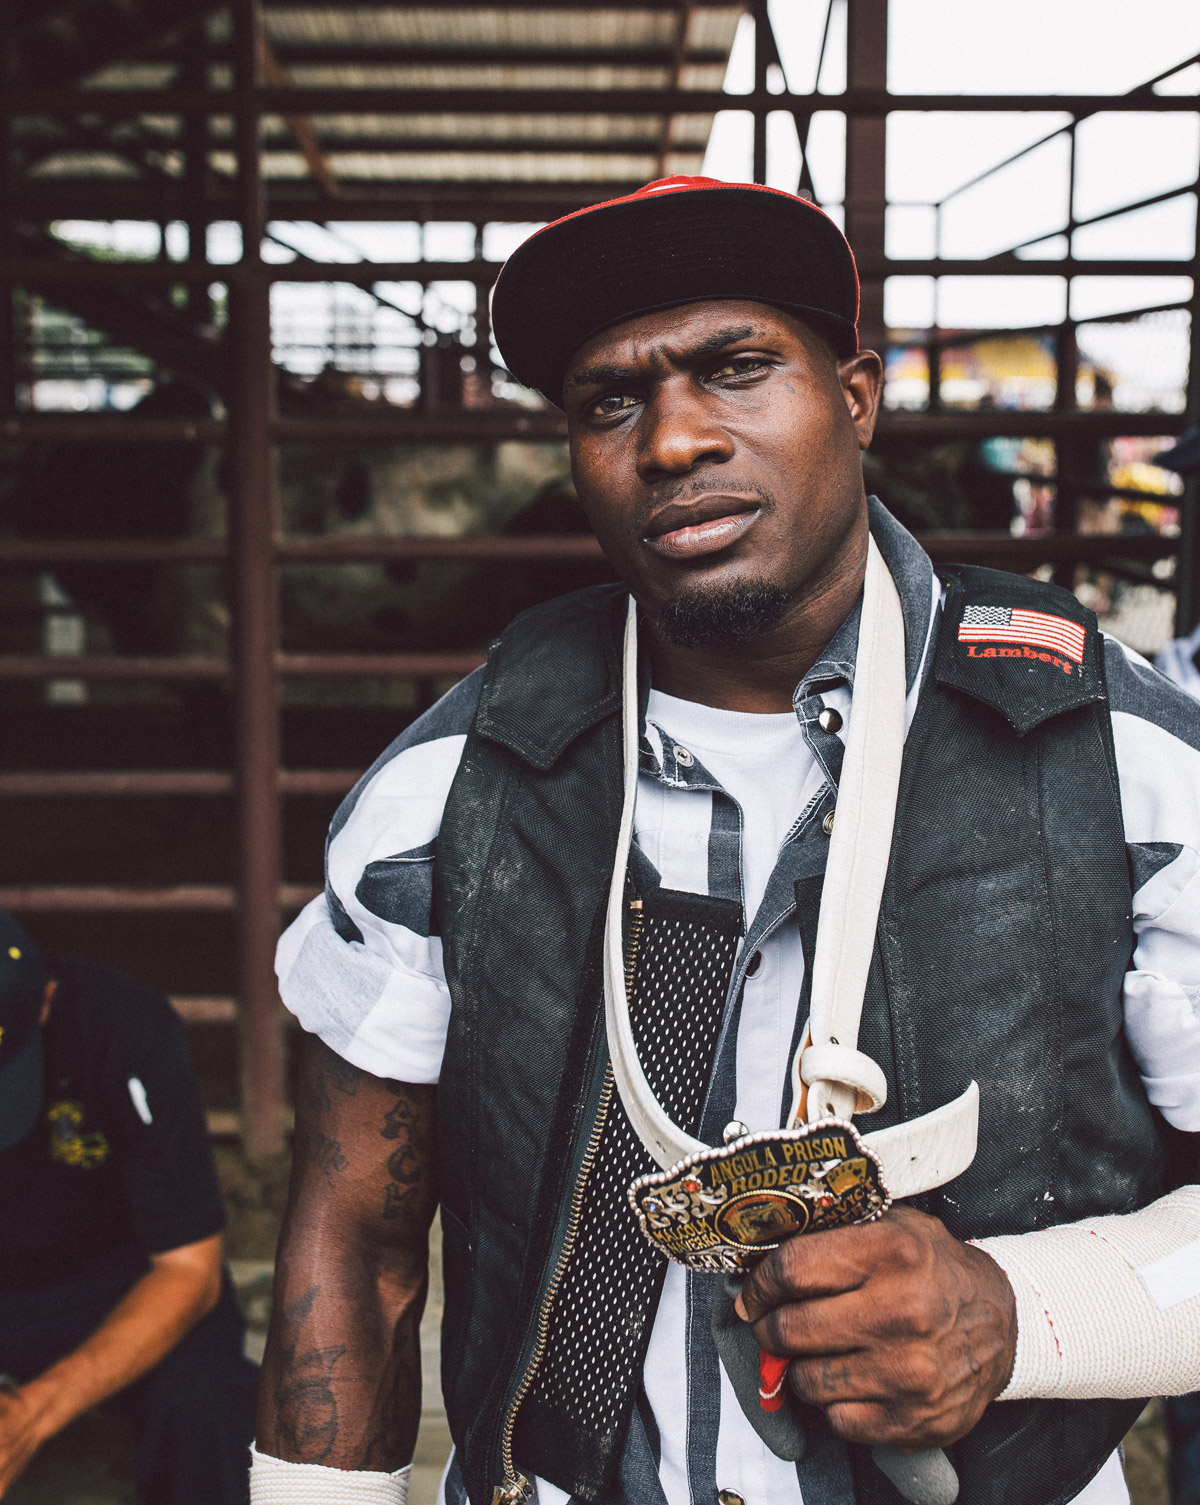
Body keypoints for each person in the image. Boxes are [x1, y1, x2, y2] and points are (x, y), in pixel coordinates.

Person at [254, 177, 1200, 1505]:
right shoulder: (448, 792)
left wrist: (1022, 1312)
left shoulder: (1117, 763)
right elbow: (354, 1241)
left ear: (856, 398)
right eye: (610, 400)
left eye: (737, 368)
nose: (675, 438)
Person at [0, 910, 257, 1503]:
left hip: (113, 1283)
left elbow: (189, 1271)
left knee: (210, 1407)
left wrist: (29, 1417)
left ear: (45, 1001)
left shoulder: (121, 1026)